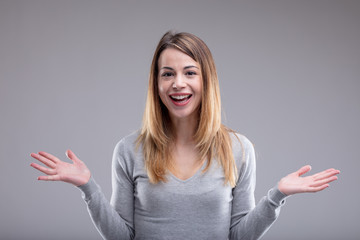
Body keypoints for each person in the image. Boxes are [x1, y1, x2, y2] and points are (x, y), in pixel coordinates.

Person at [30, 31, 340, 240]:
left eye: (190, 73)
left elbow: (238, 236)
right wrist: (88, 187)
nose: (178, 83)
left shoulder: (239, 149)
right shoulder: (128, 150)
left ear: (207, 81)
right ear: (157, 84)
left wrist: (277, 196)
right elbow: (123, 236)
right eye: (168, 74)